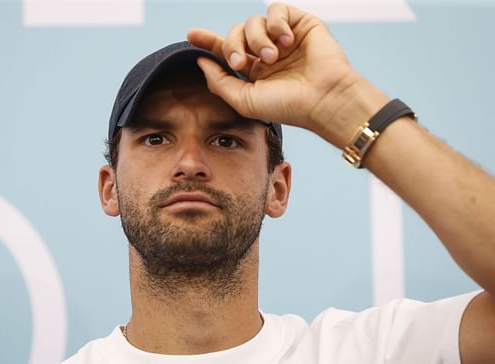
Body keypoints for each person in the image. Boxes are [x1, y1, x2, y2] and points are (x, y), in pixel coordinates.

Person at [63, 3, 495, 363]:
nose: (190, 163)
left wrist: (342, 103)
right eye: (156, 138)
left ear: (278, 188)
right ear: (109, 187)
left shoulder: (370, 351)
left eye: (225, 139)